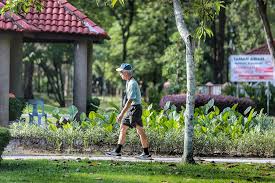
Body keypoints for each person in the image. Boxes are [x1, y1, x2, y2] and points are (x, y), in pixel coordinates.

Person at [106, 63, 151, 160]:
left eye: (121, 72)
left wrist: (121, 114)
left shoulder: (132, 83)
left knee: (131, 129)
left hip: (134, 109)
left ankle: (118, 151)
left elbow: (130, 101)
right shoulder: (129, 82)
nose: (120, 74)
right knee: (136, 130)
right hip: (135, 108)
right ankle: (145, 153)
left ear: (126, 73)